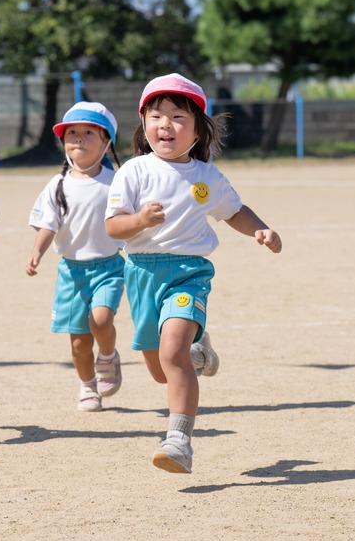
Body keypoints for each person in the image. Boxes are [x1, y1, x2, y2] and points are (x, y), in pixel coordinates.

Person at [104, 73, 282, 474]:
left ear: (199, 128)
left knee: (171, 354)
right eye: (156, 115)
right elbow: (113, 227)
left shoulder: (207, 177)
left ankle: (179, 441)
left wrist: (261, 229)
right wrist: (139, 219)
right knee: (159, 369)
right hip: (141, 273)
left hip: (189, 273)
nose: (166, 124)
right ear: (144, 124)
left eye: (178, 116)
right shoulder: (132, 172)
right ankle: (198, 350)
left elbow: (234, 211)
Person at [26, 101, 126, 412]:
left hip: (109, 266)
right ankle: (87, 386)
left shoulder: (117, 182)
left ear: (107, 141)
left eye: (88, 132)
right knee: (80, 343)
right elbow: (47, 224)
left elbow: (131, 222)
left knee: (101, 319)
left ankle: (108, 356)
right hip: (71, 272)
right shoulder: (57, 185)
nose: (78, 139)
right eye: (72, 133)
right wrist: (37, 252)